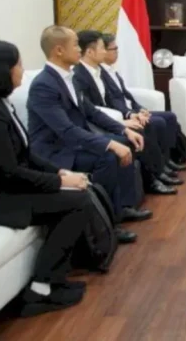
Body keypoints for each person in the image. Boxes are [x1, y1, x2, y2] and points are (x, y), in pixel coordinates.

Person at [0, 39, 90, 316]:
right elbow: (9, 172)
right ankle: (41, 288)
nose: (22, 70)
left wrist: (59, 172)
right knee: (77, 202)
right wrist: (61, 183)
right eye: (18, 64)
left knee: (79, 194)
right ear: (1, 70)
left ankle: (54, 279)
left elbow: (25, 153)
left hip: (8, 188)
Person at [27, 25, 151, 244]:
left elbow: (92, 112)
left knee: (124, 142)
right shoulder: (43, 85)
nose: (79, 49)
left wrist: (124, 129)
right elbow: (66, 130)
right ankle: (107, 223)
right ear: (59, 50)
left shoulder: (69, 78)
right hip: (56, 151)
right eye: (75, 45)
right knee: (108, 156)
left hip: (75, 143)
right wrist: (110, 144)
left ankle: (122, 208)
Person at [72, 30, 179, 196]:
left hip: (111, 119)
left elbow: (113, 98)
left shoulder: (98, 71)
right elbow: (90, 111)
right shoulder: (78, 76)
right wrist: (121, 123)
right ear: (90, 52)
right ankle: (152, 180)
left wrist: (130, 114)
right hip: (96, 127)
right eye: (102, 48)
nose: (105, 52)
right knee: (138, 131)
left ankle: (158, 172)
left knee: (145, 124)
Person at [101, 33, 186, 170]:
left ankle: (169, 158)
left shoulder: (112, 70)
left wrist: (140, 109)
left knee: (170, 116)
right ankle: (161, 165)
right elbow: (112, 102)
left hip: (132, 111)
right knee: (158, 122)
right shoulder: (100, 74)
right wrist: (131, 113)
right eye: (114, 49)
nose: (117, 52)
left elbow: (126, 95)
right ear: (103, 51)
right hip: (123, 115)